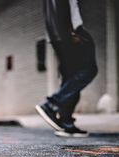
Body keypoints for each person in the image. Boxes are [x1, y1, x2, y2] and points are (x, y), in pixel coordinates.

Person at [36, 0, 98, 137]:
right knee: (88, 70)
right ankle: (52, 104)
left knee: (71, 76)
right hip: (70, 32)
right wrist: (71, 31)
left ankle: (66, 122)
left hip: (57, 35)